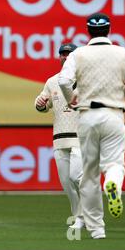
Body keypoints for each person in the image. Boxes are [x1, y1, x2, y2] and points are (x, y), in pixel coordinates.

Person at [58, 13, 125, 239]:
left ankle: (97, 230)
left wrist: (71, 97)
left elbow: (64, 80)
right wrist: (116, 93)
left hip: (86, 116)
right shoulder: (121, 53)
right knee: (114, 163)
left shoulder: (79, 53)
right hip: (113, 114)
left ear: (88, 31)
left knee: (90, 174)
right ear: (109, 29)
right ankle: (112, 184)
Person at [35, 43, 84, 230]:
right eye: (62, 54)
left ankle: (89, 215)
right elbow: (41, 104)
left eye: (69, 54)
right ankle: (79, 216)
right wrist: (39, 103)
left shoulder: (86, 79)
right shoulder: (52, 81)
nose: (65, 57)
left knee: (76, 177)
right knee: (66, 183)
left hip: (81, 137)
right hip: (59, 138)